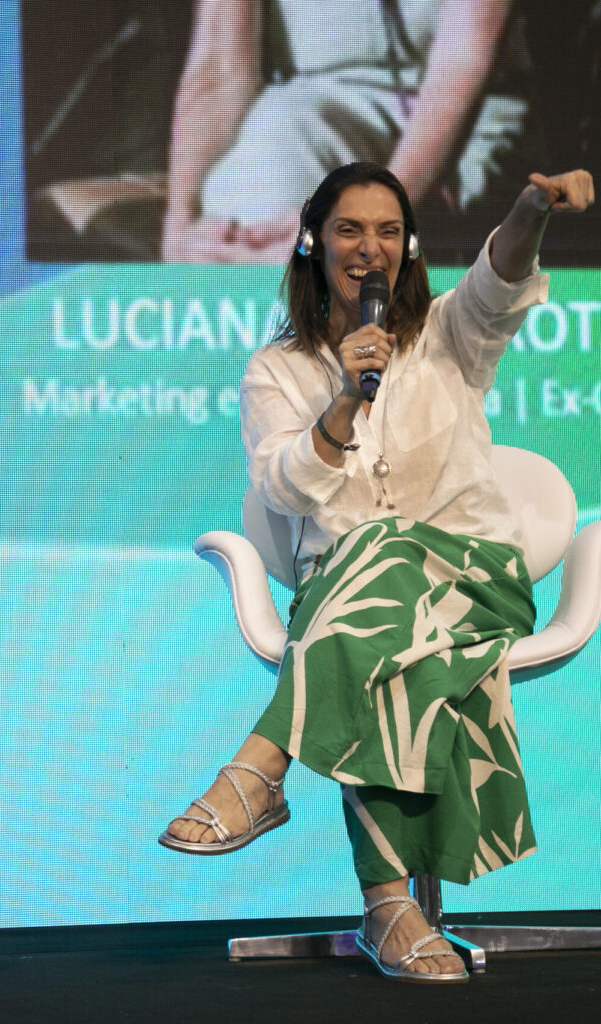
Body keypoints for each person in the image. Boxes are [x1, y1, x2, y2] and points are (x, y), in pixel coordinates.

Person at [158, 161, 594, 982]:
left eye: (388, 230)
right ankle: (389, 911)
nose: (370, 247)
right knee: (378, 629)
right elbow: (282, 488)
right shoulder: (276, 372)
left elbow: (501, 277)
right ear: (312, 243)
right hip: (351, 604)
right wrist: (342, 404)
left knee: (379, 561)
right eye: (350, 230)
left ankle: (263, 771)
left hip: (472, 583)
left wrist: (533, 205)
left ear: (409, 246)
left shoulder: (447, 331)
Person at [162, 0, 532, 262]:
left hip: (463, 113)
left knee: (331, 261)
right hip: (313, 101)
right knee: (249, 206)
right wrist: (180, 229)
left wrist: (370, 215)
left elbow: (463, 57)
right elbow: (220, 69)